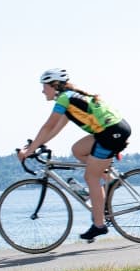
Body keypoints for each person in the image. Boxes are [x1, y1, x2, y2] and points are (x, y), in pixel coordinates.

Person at [18, 68, 131, 240]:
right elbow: (54, 130)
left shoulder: (65, 98)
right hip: (110, 130)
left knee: (91, 177)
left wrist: (29, 151)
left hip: (111, 132)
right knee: (78, 150)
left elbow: (48, 126)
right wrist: (37, 145)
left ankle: (99, 225)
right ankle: (110, 180)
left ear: (54, 85)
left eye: (44, 87)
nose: (42, 91)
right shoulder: (69, 99)